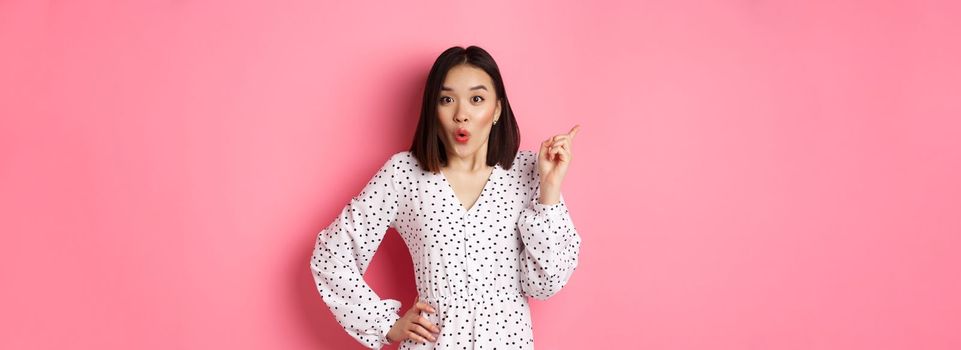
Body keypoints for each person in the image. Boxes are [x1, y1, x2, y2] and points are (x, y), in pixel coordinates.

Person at [309, 45, 581, 349]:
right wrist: (384, 324)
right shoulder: (404, 174)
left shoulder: (528, 172)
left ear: (497, 110)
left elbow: (544, 284)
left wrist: (550, 189)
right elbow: (332, 256)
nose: (461, 115)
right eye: (446, 99)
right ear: (432, 109)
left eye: (476, 99)